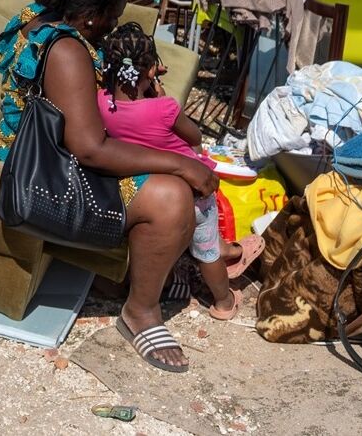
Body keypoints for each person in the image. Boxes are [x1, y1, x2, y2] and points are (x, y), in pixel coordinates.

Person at [0, 0, 219, 374]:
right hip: (47, 168)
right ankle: (141, 312)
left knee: (169, 173)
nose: (114, 25)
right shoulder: (67, 52)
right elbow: (90, 149)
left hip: (27, 144)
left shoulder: (40, 15)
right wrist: (181, 165)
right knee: (172, 196)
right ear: (93, 15)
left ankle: (136, 271)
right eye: (113, 17)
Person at [97, 22, 265, 320]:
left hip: (150, 187)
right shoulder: (164, 108)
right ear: (151, 71)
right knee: (207, 250)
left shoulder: (101, 103)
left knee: (185, 242)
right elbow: (195, 137)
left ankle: (198, 270)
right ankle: (224, 302)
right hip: (192, 190)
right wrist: (160, 96)